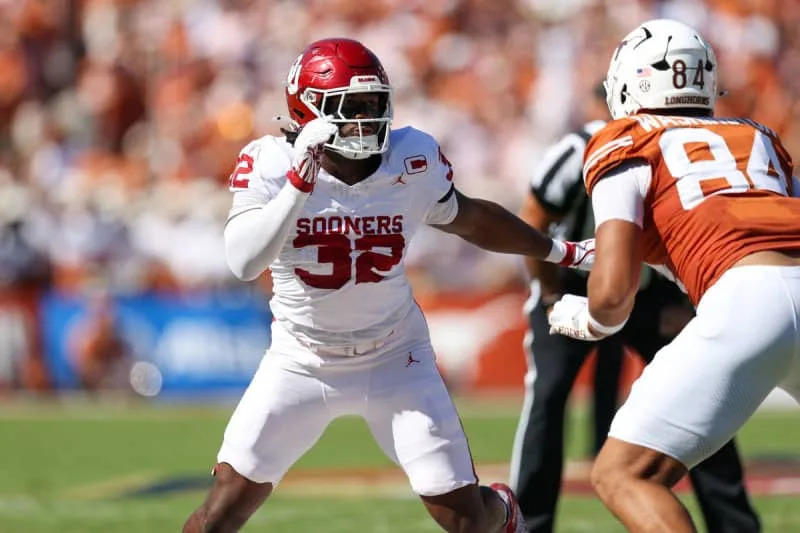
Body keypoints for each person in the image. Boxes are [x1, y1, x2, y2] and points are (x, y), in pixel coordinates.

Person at [182, 38, 595, 533]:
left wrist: (558, 250)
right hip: (302, 360)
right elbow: (244, 261)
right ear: (306, 109)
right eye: (349, 107)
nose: (366, 118)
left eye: (373, 104)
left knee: (466, 521)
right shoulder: (270, 162)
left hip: (396, 357)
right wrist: (298, 183)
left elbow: (469, 217)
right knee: (218, 516)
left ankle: (502, 510)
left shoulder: (410, 157)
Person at [548, 18, 800, 532]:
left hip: (750, 299)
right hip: (770, 282)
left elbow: (616, 293)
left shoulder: (623, 139)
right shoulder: (757, 136)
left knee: (625, 474)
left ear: (625, 82)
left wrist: (590, 319)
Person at [511, 105, 760, 532]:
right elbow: (533, 219)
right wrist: (551, 294)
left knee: (703, 396)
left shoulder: (670, 145)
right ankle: (530, 523)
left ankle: (734, 523)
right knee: (548, 400)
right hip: (572, 285)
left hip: (649, 291)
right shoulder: (577, 149)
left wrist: (680, 299)